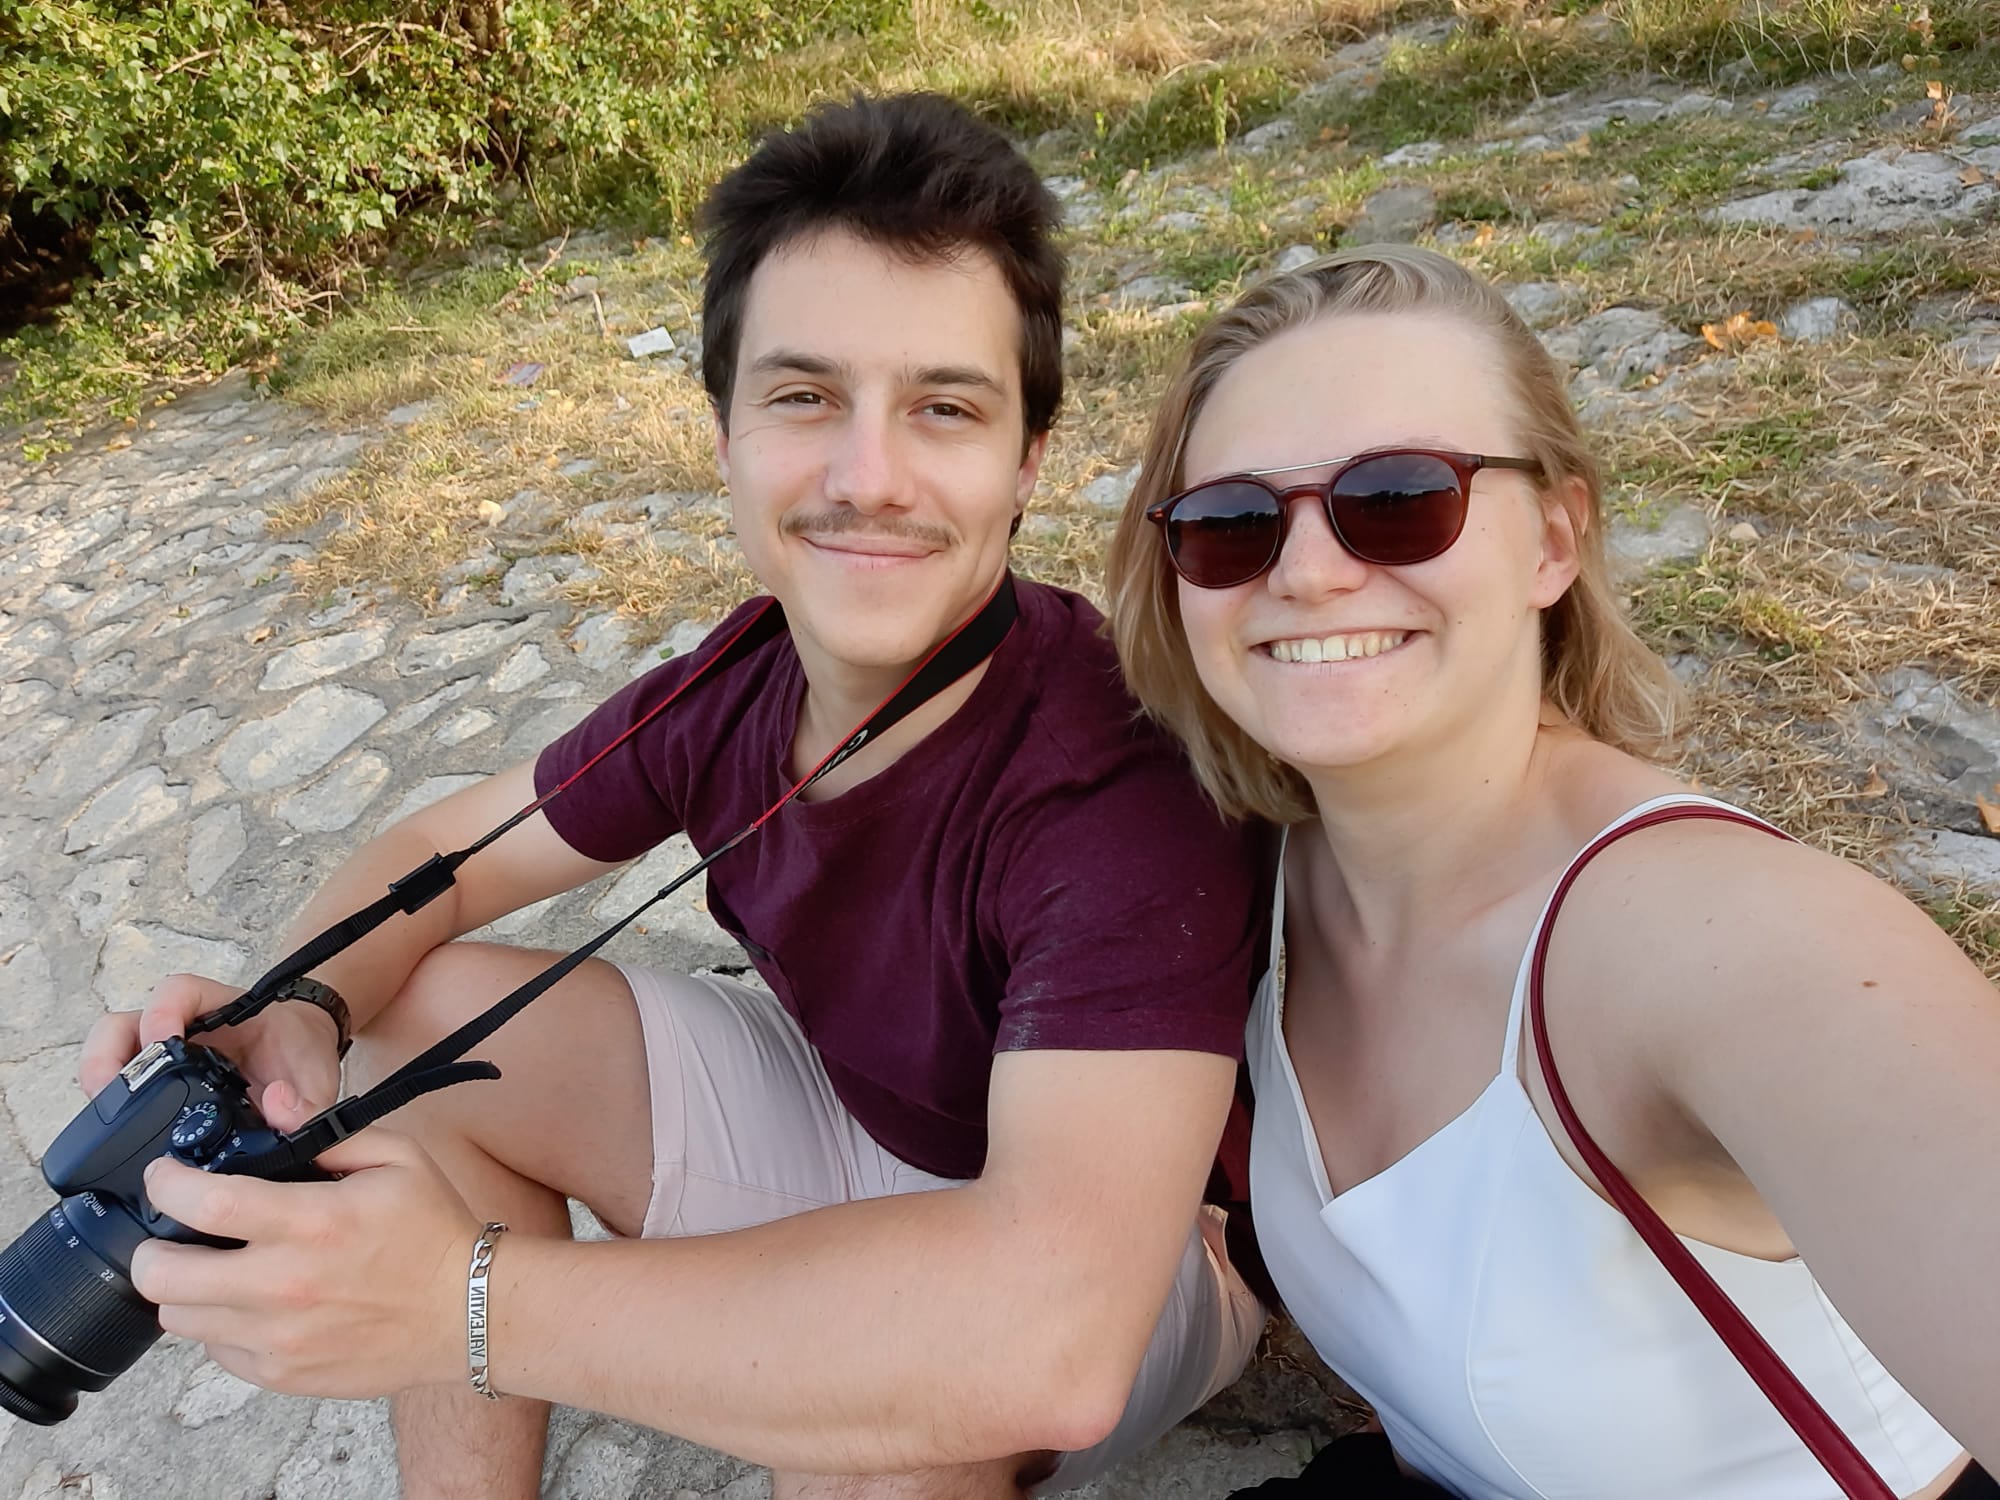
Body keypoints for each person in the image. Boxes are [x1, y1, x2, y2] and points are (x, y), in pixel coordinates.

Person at [77, 92, 1269, 1499]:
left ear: (1027, 463)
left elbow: (1046, 1340)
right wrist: (296, 1010)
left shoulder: (1114, 781)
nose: (867, 477)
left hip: (1139, 1248)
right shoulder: (741, 681)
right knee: (408, 1013)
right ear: (724, 436)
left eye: (943, 408)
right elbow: (445, 854)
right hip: (856, 1114)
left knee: (871, 1443)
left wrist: (460, 1302)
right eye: (803, 397)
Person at [1103, 243, 1999, 1499]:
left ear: (1553, 539)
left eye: (1398, 498)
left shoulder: (1712, 942)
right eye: (1230, 522)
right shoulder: (1246, 878)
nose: (1304, 572)